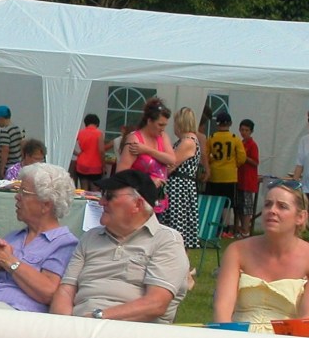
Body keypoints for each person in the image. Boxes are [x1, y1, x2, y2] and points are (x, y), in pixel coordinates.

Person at [50, 169, 189, 323]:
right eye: (102, 194)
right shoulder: (90, 237)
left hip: (129, 330)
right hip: (79, 326)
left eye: (109, 196)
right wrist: (65, 325)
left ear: (137, 204)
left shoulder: (166, 240)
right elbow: (66, 290)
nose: (101, 202)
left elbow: (155, 304)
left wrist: (96, 318)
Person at [0, 164, 78, 312]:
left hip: (20, 317)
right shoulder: (13, 237)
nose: (17, 197)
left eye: (24, 192)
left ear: (46, 205)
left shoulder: (64, 243)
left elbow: (49, 293)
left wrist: (8, 261)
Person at [213, 180, 309, 334]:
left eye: (282, 206)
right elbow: (222, 310)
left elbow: (308, 319)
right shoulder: (236, 251)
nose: (272, 210)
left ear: (301, 217)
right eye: (268, 204)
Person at [116, 97, 175, 215]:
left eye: (165, 125)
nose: (163, 129)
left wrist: (147, 150)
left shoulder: (162, 136)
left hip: (158, 200)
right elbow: (121, 172)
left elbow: (172, 159)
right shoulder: (135, 139)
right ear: (149, 121)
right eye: (160, 125)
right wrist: (147, 180)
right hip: (139, 200)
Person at [164, 107, 201, 248]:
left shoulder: (187, 142)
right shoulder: (187, 140)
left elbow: (171, 164)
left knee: (177, 223)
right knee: (178, 223)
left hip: (179, 187)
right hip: (180, 186)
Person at [205, 111, 246, 235]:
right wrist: (233, 164)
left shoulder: (212, 138)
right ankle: (226, 228)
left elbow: (205, 156)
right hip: (229, 176)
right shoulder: (235, 139)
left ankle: (213, 226)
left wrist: (213, 162)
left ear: (217, 124)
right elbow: (242, 157)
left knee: (214, 202)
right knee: (228, 204)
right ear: (230, 123)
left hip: (215, 175)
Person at [236, 119, 260, 238]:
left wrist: (244, 157)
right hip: (239, 178)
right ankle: (242, 228)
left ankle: (245, 229)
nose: (244, 132)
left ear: (251, 131)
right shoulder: (240, 143)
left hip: (248, 180)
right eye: (242, 130)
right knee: (239, 205)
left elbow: (255, 162)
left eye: (246, 130)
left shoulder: (252, 145)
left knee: (247, 206)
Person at [292, 110, 309, 233]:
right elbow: (299, 164)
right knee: (306, 214)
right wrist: (294, 184)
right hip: (307, 185)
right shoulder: (304, 140)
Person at [73, 114, 105, 191]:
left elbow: (70, 146)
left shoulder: (80, 133)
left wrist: (78, 154)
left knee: (84, 189)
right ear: (97, 123)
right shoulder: (99, 133)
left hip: (81, 164)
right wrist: (103, 165)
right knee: (94, 191)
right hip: (95, 165)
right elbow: (101, 151)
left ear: (86, 123)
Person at [0, 105, 22, 178]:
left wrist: (2, 167)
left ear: (1, 118)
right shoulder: (16, 128)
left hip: (10, 166)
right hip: (18, 165)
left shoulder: (5, 131)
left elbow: (5, 150)